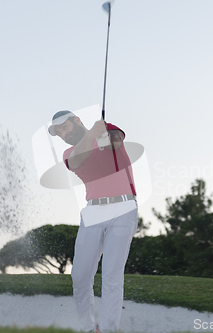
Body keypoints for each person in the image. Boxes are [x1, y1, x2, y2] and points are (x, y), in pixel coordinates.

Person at [48, 110, 138, 333]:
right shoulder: (70, 153)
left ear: (77, 120)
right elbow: (78, 159)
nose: (63, 134)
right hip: (93, 211)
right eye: (59, 133)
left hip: (123, 207)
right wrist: (94, 137)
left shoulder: (108, 129)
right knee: (79, 276)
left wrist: (102, 135)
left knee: (111, 275)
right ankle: (89, 328)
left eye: (64, 127)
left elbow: (116, 143)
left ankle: (109, 330)